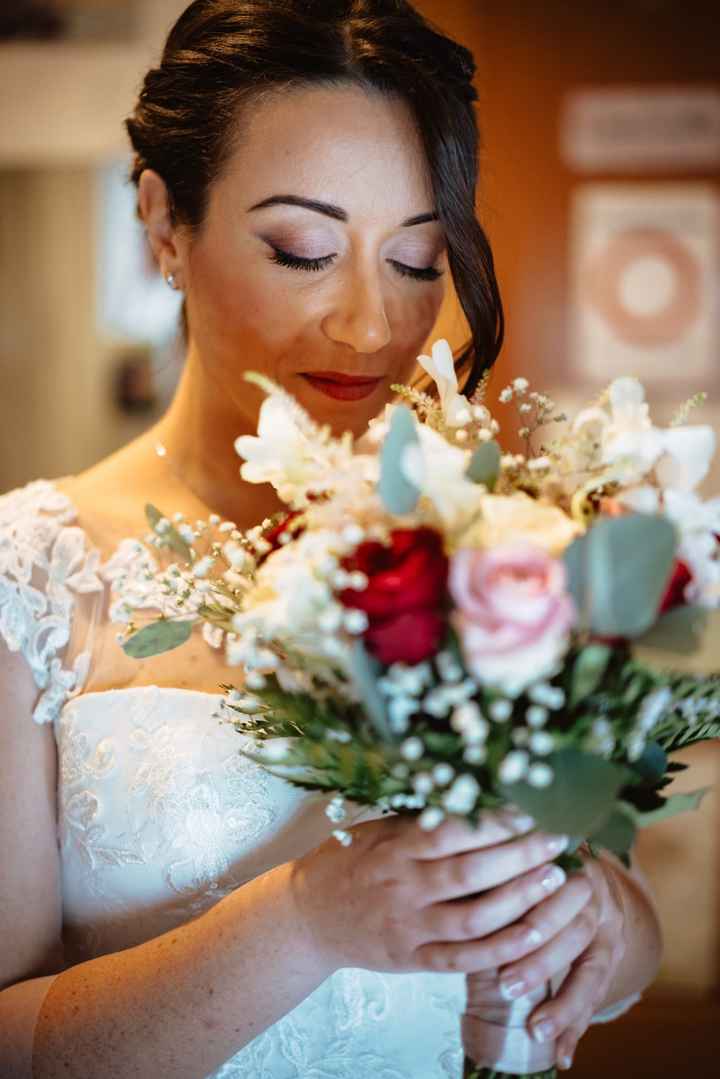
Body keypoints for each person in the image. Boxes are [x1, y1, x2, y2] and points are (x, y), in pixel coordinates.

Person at [0, 2, 662, 1076]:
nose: (371, 325)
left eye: (417, 260)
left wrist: (610, 925)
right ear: (166, 221)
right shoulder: (30, 570)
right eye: (303, 248)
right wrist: (307, 921)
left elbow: (605, 902)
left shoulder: (502, 534)